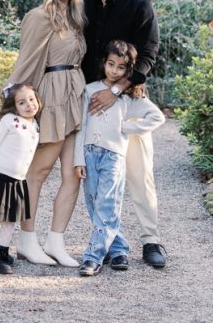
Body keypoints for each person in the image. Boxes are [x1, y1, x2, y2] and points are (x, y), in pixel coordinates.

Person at [81, 0, 168, 268]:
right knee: (96, 179)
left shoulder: (139, 5)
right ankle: (111, 243)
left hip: (128, 98)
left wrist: (118, 89)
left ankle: (151, 240)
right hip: (91, 101)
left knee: (139, 172)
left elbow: (148, 56)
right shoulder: (82, 2)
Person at [5, 0, 89, 267]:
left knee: (73, 175)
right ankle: (27, 239)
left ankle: (56, 241)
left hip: (75, 94)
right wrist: (18, 105)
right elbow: (26, 61)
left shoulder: (76, 17)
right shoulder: (39, 16)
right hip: (51, 96)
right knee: (37, 171)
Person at [74, 40, 165, 276]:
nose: (115, 71)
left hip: (113, 155)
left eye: (121, 67)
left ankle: (93, 256)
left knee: (107, 203)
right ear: (104, 63)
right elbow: (81, 127)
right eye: (111, 64)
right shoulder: (90, 89)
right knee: (95, 203)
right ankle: (118, 248)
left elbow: (157, 117)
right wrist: (78, 159)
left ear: (128, 71)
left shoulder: (128, 97)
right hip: (89, 154)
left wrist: (127, 128)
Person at [0, 83, 42, 274]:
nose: (29, 105)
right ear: (14, 107)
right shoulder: (9, 120)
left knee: (10, 221)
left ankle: (2, 252)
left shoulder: (35, 125)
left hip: (17, 181)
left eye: (31, 99)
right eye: (22, 103)